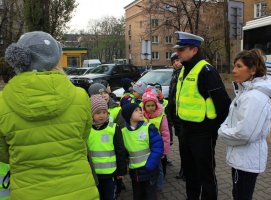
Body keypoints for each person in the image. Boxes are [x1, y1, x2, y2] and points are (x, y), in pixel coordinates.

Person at [0, 31, 99, 199]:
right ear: (55, 58)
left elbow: (4, 153)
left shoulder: (3, 102)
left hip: (29, 191)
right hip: (80, 190)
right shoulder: (80, 96)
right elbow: (82, 138)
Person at [218, 49, 271, 200]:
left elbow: (245, 134)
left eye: (239, 66)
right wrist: (226, 127)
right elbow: (232, 119)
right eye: (234, 66)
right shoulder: (246, 92)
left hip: (246, 160)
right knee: (239, 194)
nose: (234, 70)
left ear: (253, 70)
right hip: (242, 158)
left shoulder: (254, 97)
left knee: (241, 196)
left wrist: (222, 131)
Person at [174, 31, 231, 200]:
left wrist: (211, 128)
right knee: (190, 174)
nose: (178, 52)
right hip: (185, 131)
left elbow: (223, 104)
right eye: (178, 49)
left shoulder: (207, 71)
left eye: (182, 49)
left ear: (194, 50)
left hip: (202, 134)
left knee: (205, 175)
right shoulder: (184, 70)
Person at [87, 95, 127, 200]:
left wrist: (121, 171)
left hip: (110, 174)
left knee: (109, 197)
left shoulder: (113, 128)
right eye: (98, 113)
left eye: (104, 112)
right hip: (93, 174)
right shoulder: (87, 130)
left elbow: (120, 150)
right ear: (91, 114)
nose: (102, 115)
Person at [121, 103, 163, 200]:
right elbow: (124, 152)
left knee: (150, 194)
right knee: (138, 194)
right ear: (128, 115)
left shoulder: (149, 127)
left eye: (140, 109)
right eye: (136, 110)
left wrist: (150, 165)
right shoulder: (123, 132)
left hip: (149, 170)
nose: (140, 112)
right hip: (134, 171)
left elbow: (157, 148)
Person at [142, 88, 170, 191]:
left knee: (159, 169)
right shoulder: (142, 115)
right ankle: (149, 185)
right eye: (148, 106)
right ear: (144, 106)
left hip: (157, 148)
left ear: (156, 105)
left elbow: (165, 134)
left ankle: (158, 187)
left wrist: (164, 151)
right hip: (145, 148)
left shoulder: (161, 116)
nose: (150, 108)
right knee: (148, 167)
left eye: (153, 105)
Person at [168, 52, 185, 180]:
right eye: (173, 62)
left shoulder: (184, 74)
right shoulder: (175, 74)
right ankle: (185, 170)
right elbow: (173, 95)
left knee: (185, 145)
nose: (176, 63)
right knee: (182, 144)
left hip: (183, 116)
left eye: (178, 60)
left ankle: (186, 171)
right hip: (176, 115)